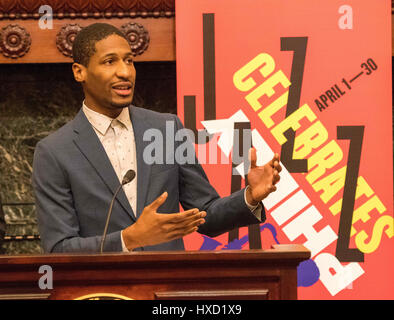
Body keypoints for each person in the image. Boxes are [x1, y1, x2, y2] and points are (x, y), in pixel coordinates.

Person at [32, 23, 281, 253]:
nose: (124, 72)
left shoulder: (166, 129)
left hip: (169, 289)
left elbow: (204, 214)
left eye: (129, 61)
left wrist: (250, 195)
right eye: (110, 62)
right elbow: (59, 248)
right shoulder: (54, 152)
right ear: (79, 72)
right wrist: (128, 239)